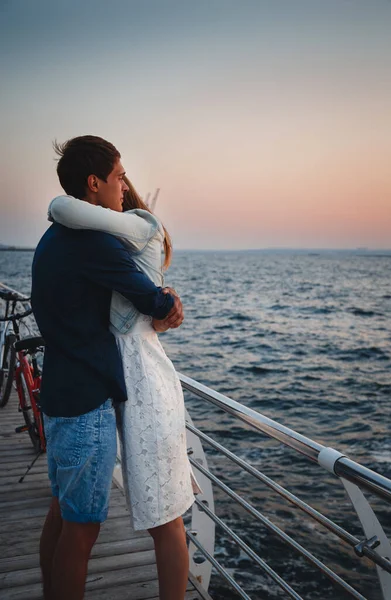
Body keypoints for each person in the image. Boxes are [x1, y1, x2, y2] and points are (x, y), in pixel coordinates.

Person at [31, 135, 183, 600]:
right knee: (82, 531)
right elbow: (149, 297)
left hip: (58, 393)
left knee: (61, 516)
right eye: (119, 177)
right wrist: (168, 302)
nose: (124, 186)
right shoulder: (91, 243)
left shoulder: (52, 237)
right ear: (94, 184)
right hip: (86, 401)